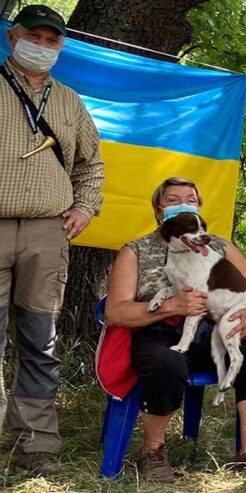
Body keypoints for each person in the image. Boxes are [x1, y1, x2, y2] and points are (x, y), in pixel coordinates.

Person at [104, 177, 246, 481]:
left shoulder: (218, 246)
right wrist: (171, 307)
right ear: (159, 211)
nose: (183, 203)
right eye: (172, 199)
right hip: (157, 330)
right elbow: (116, 311)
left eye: (190, 199)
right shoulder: (136, 251)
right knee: (167, 362)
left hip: (212, 329)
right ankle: (153, 452)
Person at [0, 5, 105, 473]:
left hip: (47, 232)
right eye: (34, 37)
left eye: (52, 41)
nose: (42, 47)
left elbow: (91, 165)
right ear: (12, 37)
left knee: (40, 337)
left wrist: (84, 208)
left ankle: (36, 440)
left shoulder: (68, 101)